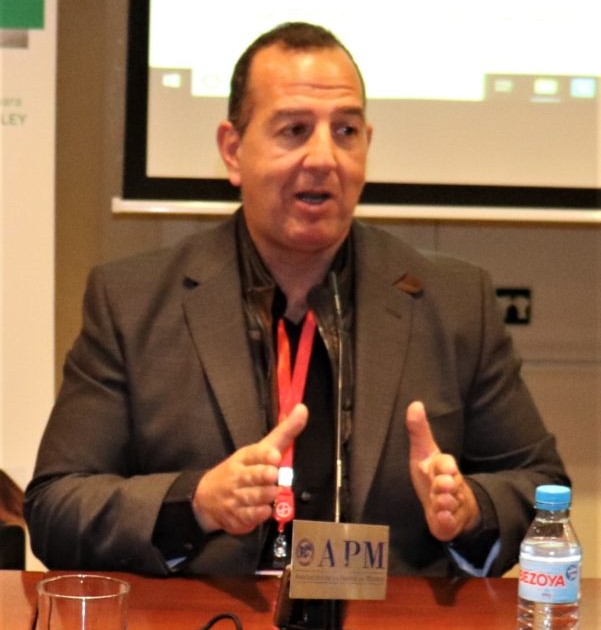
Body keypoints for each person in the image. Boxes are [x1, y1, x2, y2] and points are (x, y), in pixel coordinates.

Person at [25, 22, 568, 577]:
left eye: (346, 131)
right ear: (232, 151)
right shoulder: (132, 301)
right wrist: (196, 502)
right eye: (294, 130)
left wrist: (472, 510)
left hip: (386, 612)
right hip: (211, 612)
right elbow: (55, 506)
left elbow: (540, 486)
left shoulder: (453, 302)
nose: (324, 158)